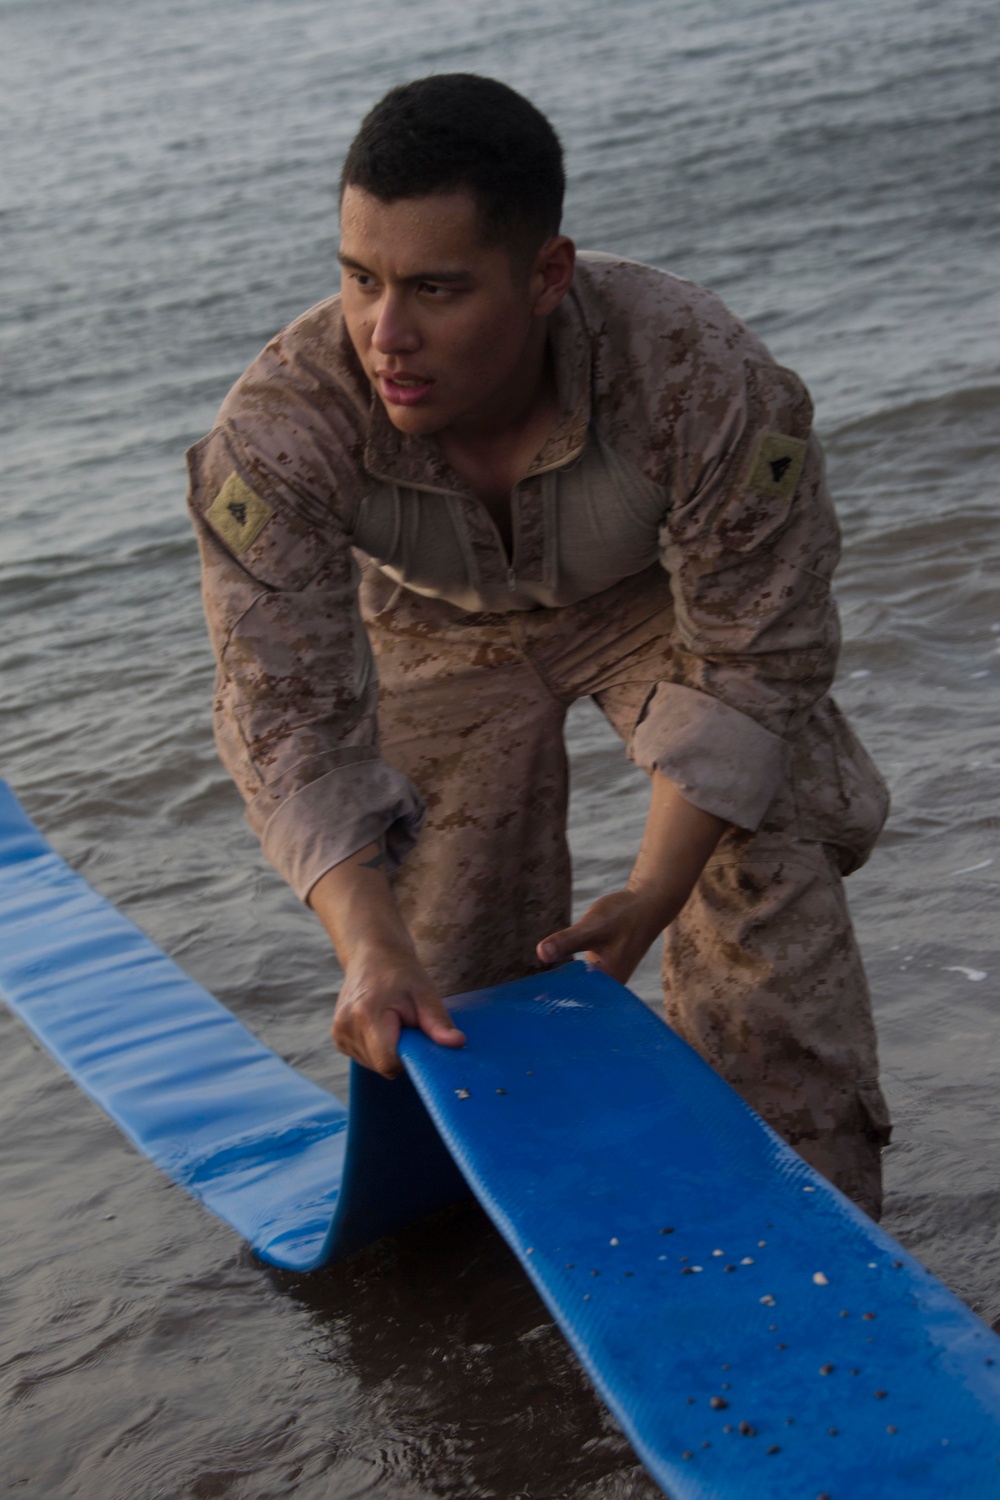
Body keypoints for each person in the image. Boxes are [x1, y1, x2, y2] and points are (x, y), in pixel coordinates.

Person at [186, 73, 892, 1217]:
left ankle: (812, 1213)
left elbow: (758, 653)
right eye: (359, 279)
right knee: (441, 983)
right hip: (436, 626)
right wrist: (366, 943)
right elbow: (288, 719)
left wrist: (653, 893)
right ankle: (493, 1249)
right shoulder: (279, 433)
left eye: (435, 289)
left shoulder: (698, 372)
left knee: (767, 849)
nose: (385, 333)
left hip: (643, 602)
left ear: (546, 276)